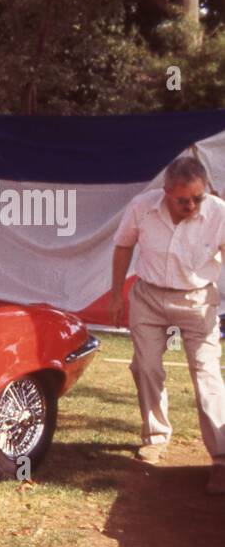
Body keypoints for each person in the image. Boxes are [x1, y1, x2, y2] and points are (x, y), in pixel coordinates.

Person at [108, 155, 225, 495]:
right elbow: (122, 246)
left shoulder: (218, 212)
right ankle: (155, 436)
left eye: (197, 198)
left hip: (197, 300)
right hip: (149, 297)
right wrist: (117, 295)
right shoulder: (141, 206)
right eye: (183, 199)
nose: (191, 205)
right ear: (166, 192)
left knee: (207, 375)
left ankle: (221, 458)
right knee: (145, 367)